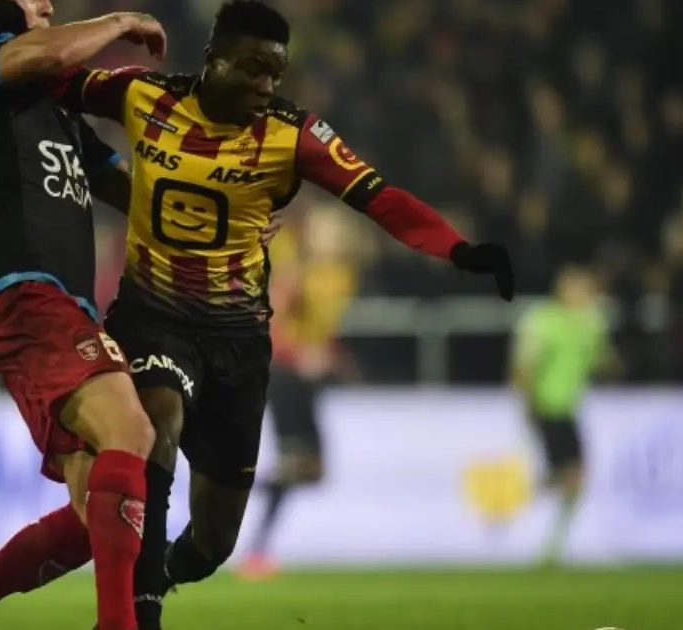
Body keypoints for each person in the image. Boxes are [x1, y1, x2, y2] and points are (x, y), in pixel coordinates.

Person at [58, 2, 515, 626]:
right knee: (154, 420)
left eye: (276, 73)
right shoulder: (143, 96)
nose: (267, 85)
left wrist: (459, 250)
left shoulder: (292, 135)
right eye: (254, 69)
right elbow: (51, 84)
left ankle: (153, 574)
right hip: (152, 315)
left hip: (238, 341)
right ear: (215, 59)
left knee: (213, 542)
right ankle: (140, 615)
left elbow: (380, 198)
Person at [0, 2, 168, 630]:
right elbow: (45, 51)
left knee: (96, 508)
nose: (48, 3)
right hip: (24, 292)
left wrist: (209, 221)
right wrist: (119, 23)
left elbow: (122, 187)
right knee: (132, 431)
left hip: (57, 306)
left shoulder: (52, 105)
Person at [238, 207, 362, 580]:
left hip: (304, 380)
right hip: (285, 374)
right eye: (327, 230)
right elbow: (273, 320)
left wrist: (333, 356)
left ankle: (232, 486)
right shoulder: (298, 274)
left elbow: (320, 327)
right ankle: (252, 543)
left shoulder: (341, 276)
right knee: (298, 464)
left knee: (310, 469)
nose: (334, 236)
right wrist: (299, 354)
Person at [510, 265, 616, 566]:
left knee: (575, 479)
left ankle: (553, 542)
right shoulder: (543, 320)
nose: (583, 294)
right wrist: (526, 403)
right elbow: (525, 366)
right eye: (577, 288)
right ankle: (519, 495)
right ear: (561, 290)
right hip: (548, 405)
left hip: (569, 408)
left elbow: (602, 362)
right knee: (573, 476)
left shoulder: (591, 323)